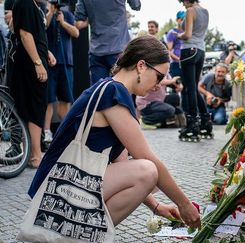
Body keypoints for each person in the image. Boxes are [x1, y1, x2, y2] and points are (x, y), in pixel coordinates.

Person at [28, 35, 201, 229]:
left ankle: (81, 233)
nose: (160, 83)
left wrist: (157, 207)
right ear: (141, 65)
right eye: (159, 76)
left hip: (64, 185)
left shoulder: (110, 89)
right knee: (149, 170)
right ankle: (83, 235)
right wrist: (184, 205)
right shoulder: (113, 93)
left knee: (151, 176)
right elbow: (145, 159)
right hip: (55, 191)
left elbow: (121, 162)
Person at [11, 0, 56, 168]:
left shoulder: (34, 6)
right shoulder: (25, 4)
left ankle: (33, 153)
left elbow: (35, 35)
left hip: (35, 60)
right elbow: (25, 34)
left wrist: (47, 52)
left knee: (35, 106)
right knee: (35, 108)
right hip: (30, 64)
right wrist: (38, 63)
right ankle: (36, 156)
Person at [74, 0, 141, 85]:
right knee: (122, 90)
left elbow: (78, 24)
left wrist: (95, 16)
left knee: (99, 93)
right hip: (119, 50)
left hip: (97, 52)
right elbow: (136, 5)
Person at [43, 1, 79, 143]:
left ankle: (67, 132)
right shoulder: (45, 15)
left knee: (65, 99)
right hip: (50, 63)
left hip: (66, 63)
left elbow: (76, 33)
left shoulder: (68, 14)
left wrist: (63, 22)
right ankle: (46, 132)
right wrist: (50, 12)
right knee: (49, 99)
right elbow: (43, 27)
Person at [176, 0, 210, 141]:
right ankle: (205, 121)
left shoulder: (191, 11)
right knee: (194, 88)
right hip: (200, 50)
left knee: (189, 88)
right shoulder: (205, 11)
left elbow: (187, 34)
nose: (183, 4)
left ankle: (192, 124)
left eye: (183, 1)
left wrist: (177, 35)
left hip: (189, 50)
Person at [166, 11, 185, 78]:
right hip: (176, 64)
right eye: (181, 19)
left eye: (185, 19)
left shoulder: (187, 32)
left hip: (186, 63)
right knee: (177, 86)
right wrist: (179, 59)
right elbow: (168, 50)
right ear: (177, 20)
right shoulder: (172, 32)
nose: (183, 21)